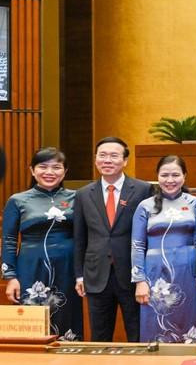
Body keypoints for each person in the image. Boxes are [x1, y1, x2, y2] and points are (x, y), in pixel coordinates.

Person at [73, 137, 154, 342]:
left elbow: (149, 235)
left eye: (114, 155)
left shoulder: (143, 190)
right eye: (102, 155)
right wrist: (79, 275)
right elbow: (80, 238)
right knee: (99, 336)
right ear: (95, 159)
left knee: (137, 334)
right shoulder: (83, 194)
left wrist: (144, 274)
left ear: (125, 161)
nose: (107, 160)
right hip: (96, 274)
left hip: (131, 275)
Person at [2, 147, 83, 340]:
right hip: (30, 267)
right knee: (32, 322)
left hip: (67, 268)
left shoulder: (77, 198)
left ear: (65, 171)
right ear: (32, 170)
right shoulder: (18, 200)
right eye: (43, 166)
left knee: (67, 317)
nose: (49, 172)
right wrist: (10, 276)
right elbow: (9, 240)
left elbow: (84, 237)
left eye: (56, 167)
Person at [131, 155, 196, 343]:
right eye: (164, 175)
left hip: (189, 273)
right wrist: (140, 280)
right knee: (155, 323)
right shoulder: (145, 206)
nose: (170, 180)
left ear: (184, 176)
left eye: (175, 175)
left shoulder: (194, 203)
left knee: (188, 322)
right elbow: (137, 245)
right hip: (155, 275)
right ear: (157, 177)